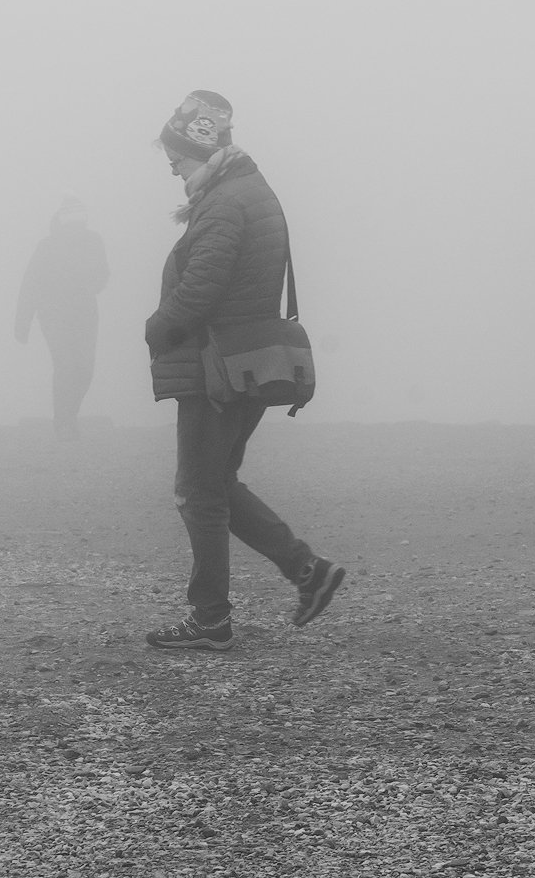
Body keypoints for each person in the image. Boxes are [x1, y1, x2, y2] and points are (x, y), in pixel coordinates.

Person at [142, 90, 344, 651]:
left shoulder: (227, 201)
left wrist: (157, 328)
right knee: (217, 484)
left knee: (198, 492)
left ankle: (210, 621)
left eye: (176, 157)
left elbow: (202, 286)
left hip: (219, 367)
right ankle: (307, 570)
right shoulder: (247, 192)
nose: (172, 167)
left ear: (200, 151)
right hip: (246, 362)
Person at [15, 197, 109, 440]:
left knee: (85, 368)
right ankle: (64, 423)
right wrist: (22, 322)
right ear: (61, 220)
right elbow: (30, 284)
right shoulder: (47, 246)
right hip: (53, 315)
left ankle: (70, 416)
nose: (76, 223)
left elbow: (103, 274)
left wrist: (89, 285)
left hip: (85, 313)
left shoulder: (93, 241)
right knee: (66, 365)